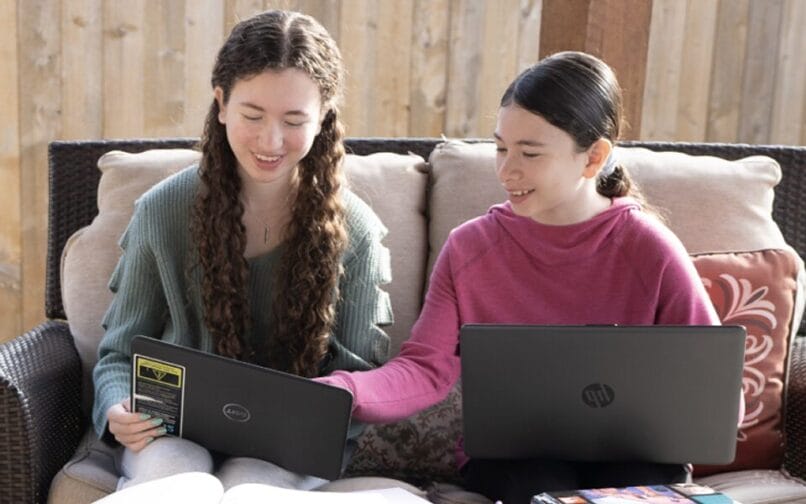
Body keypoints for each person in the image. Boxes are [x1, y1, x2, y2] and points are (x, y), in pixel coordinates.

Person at [317, 51, 733, 503]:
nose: (506, 170)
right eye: (501, 148)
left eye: (529, 153)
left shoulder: (650, 249)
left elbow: (718, 395)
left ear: (593, 157)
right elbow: (424, 369)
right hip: (514, 463)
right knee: (533, 487)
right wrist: (340, 391)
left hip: (635, 457)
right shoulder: (470, 248)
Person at [92, 10, 392, 492]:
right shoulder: (163, 210)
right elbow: (118, 354)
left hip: (285, 448)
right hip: (170, 431)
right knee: (178, 478)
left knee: (252, 487)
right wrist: (116, 407)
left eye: (294, 121)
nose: (271, 141)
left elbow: (357, 381)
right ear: (221, 104)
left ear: (323, 118)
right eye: (252, 116)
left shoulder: (355, 230)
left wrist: (309, 418)